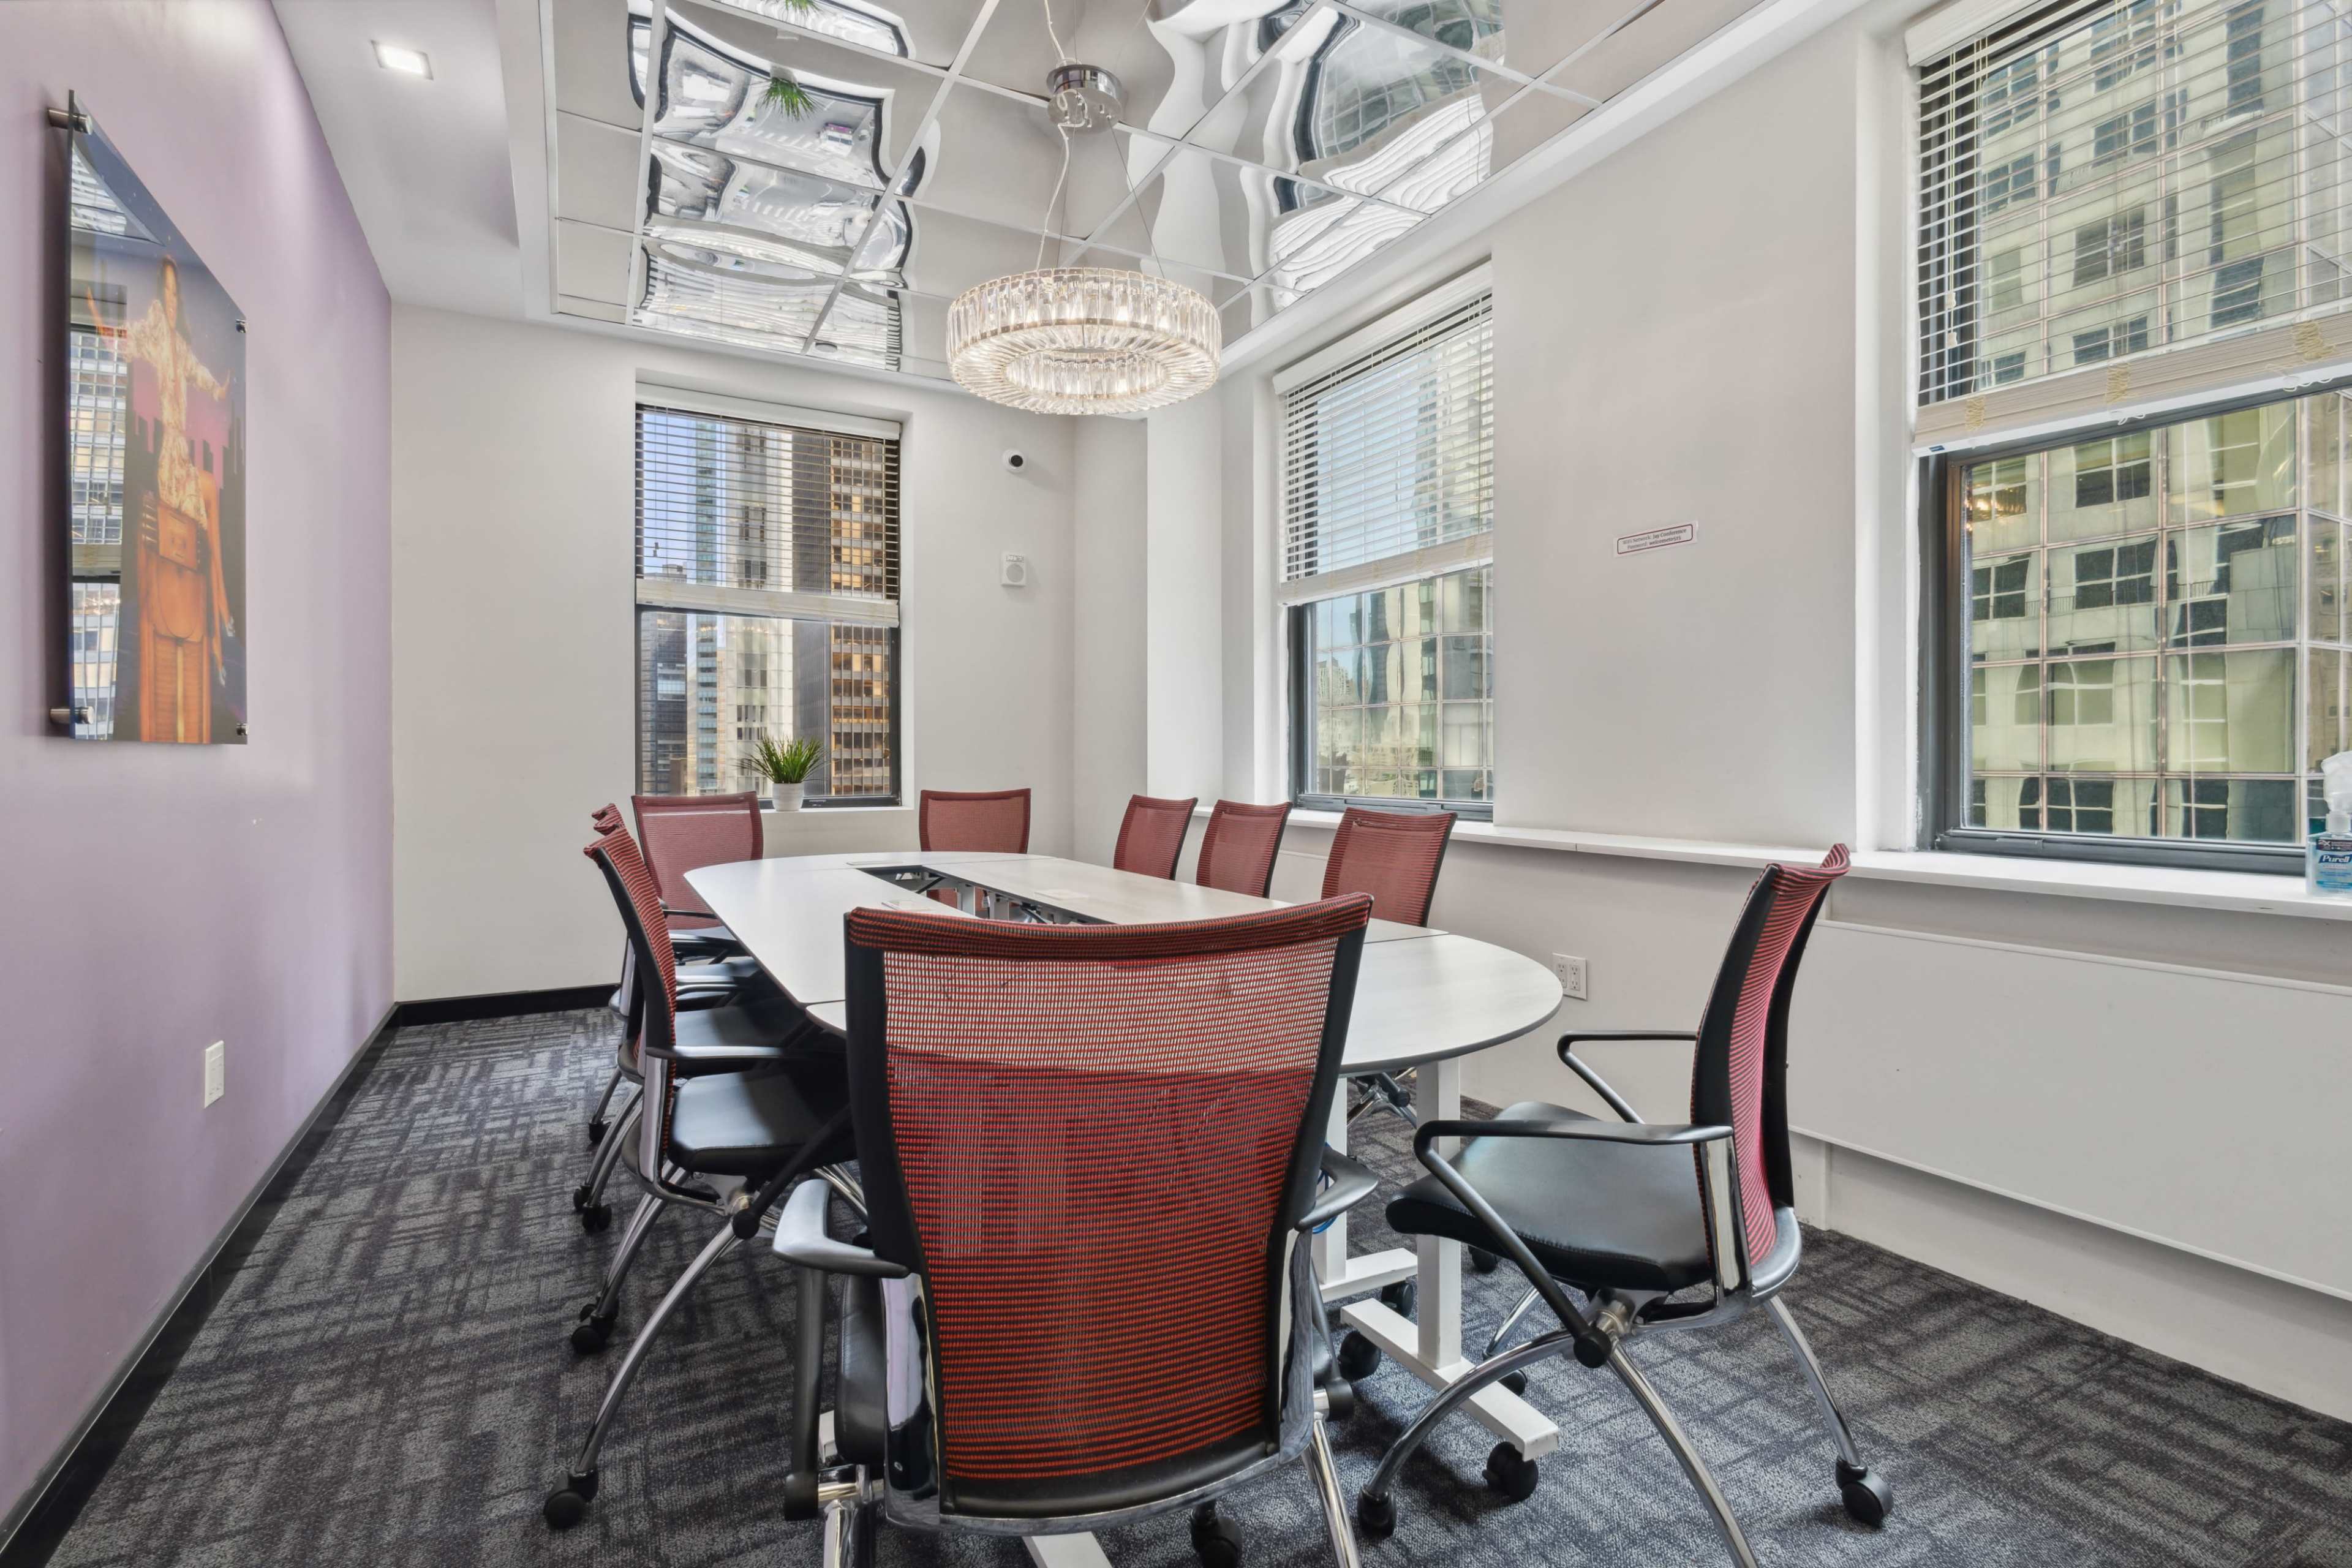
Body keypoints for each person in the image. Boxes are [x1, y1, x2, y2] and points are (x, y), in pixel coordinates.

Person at [91, 255, 233, 742]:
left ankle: (219, 616)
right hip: (171, 458)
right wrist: (101, 324)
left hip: (181, 454)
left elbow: (201, 377)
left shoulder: (180, 344)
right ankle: (223, 616)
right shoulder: (154, 332)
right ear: (160, 295)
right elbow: (125, 341)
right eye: (167, 294)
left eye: (177, 296)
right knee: (208, 496)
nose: (172, 303)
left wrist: (219, 388)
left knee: (211, 506)